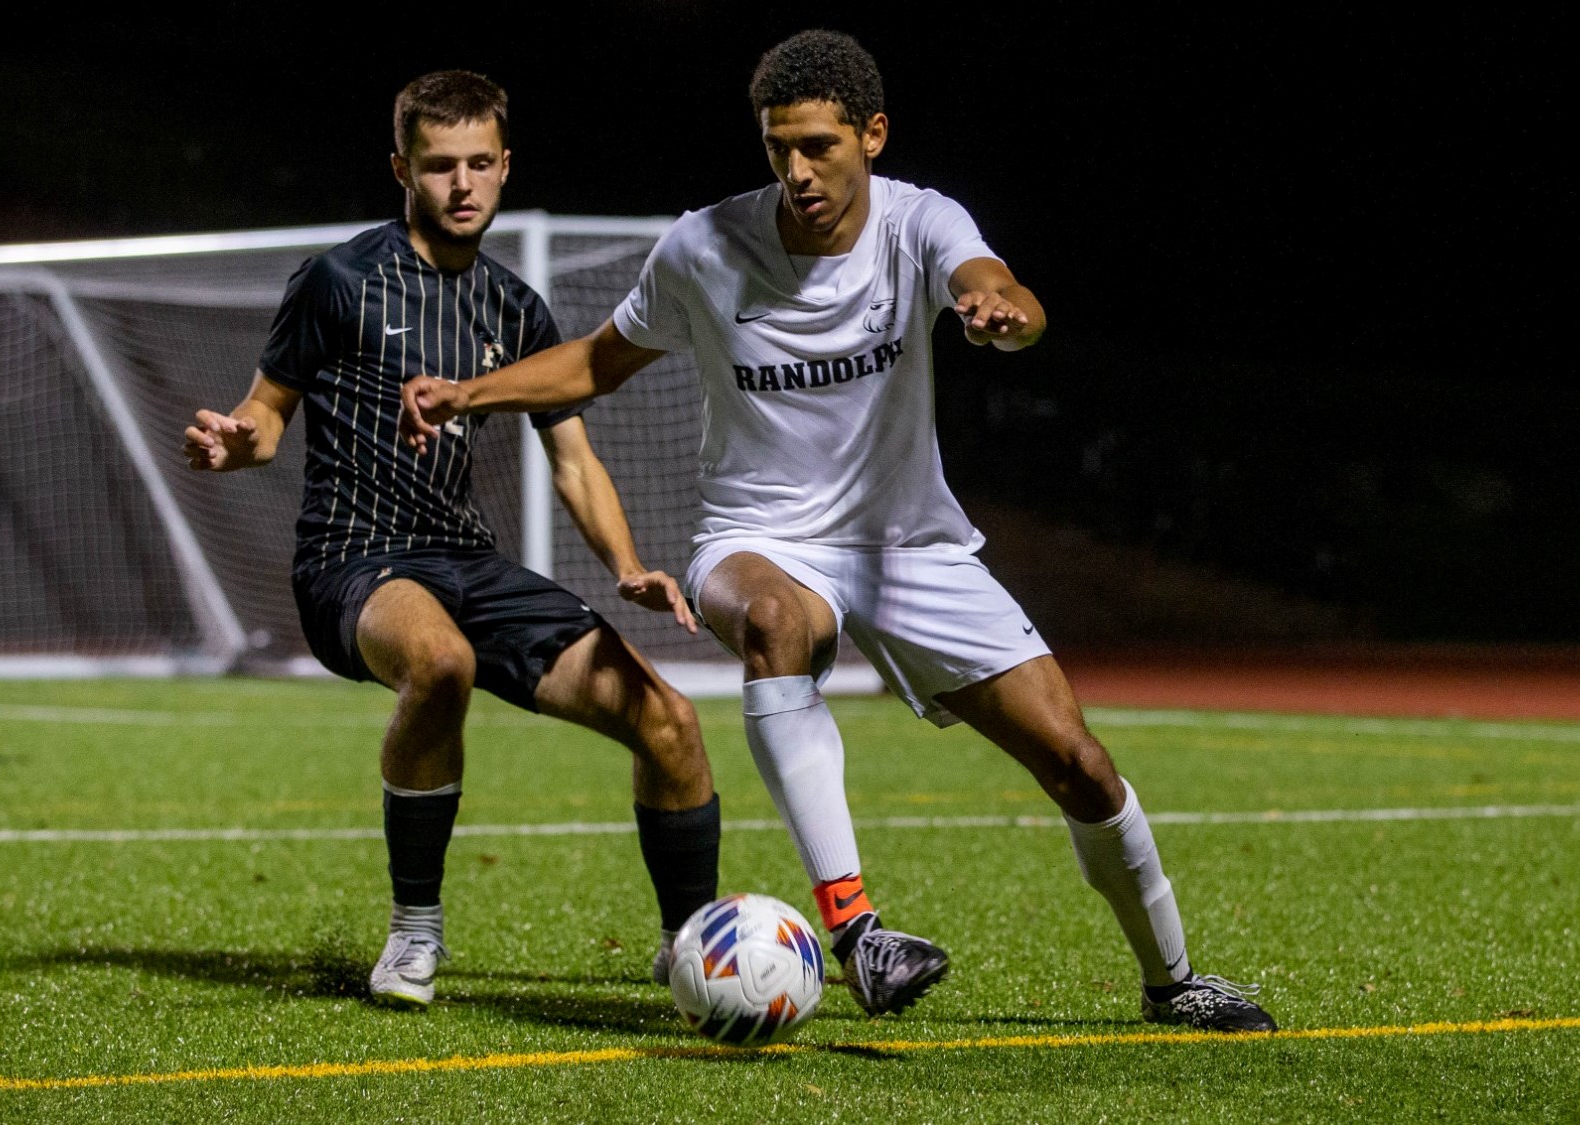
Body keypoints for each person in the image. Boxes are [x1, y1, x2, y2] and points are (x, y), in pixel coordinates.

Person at [396, 32, 1276, 1031]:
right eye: (778, 148)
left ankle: (1173, 981)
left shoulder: (919, 223)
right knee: (774, 621)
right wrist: (469, 392)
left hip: (908, 547)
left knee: (1080, 764)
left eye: (818, 145)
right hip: (757, 536)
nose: (798, 171)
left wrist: (1002, 313)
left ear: (872, 134)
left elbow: (999, 286)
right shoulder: (702, 245)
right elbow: (599, 361)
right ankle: (856, 930)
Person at [183, 70, 722, 1010]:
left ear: (506, 165)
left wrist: (628, 564)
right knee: (441, 662)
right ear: (402, 169)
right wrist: (237, 442)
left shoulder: (516, 309)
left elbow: (574, 461)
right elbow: (265, 417)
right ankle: (415, 930)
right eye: (439, 166)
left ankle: (692, 946)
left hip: (466, 559)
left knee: (670, 720)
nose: (462, 183)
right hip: (353, 558)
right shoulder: (338, 279)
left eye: (479, 163)